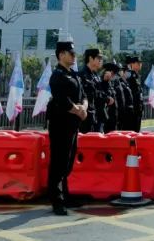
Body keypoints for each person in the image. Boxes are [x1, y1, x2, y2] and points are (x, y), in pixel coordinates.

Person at [47, 41, 87, 215]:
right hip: (60, 124)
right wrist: (78, 110)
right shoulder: (57, 75)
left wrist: (84, 107)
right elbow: (62, 100)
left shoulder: (74, 75)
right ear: (61, 54)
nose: (74, 56)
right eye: (71, 53)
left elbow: (83, 95)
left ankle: (66, 196)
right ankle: (56, 200)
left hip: (73, 124)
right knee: (59, 162)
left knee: (68, 162)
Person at [77, 49, 105, 133]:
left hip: (96, 116)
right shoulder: (82, 75)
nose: (100, 60)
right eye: (98, 58)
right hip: (86, 118)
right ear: (90, 58)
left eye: (101, 58)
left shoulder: (95, 75)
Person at [102, 62, 121, 132]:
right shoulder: (102, 83)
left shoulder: (110, 83)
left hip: (113, 117)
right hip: (107, 118)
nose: (114, 76)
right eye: (113, 74)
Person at [125, 56, 144, 132]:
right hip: (133, 108)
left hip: (138, 108)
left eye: (140, 63)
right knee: (132, 130)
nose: (140, 64)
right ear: (132, 64)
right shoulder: (130, 75)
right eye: (137, 63)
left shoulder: (137, 76)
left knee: (137, 130)